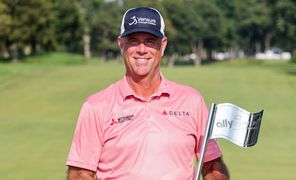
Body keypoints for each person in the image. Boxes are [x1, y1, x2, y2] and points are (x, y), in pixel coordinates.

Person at [66, 7, 229, 180]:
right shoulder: (96, 106)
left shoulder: (192, 101)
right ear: (121, 44)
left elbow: (211, 165)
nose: (142, 49)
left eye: (150, 41)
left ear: (163, 44)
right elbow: (80, 173)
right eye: (134, 41)